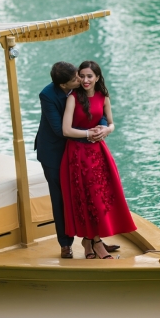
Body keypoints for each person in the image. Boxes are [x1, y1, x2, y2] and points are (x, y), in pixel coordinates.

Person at [34, 62, 114, 259]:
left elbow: (97, 109)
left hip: (79, 150)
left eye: (81, 76)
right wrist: (88, 134)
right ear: (64, 85)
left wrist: (102, 127)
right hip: (55, 152)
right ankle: (65, 244)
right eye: (77, 78)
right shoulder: (48, 96)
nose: (81, 80)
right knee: (61, 198)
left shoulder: (81, 85)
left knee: (90, 193)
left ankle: (94, 239)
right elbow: (60, 130)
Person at [60, 61, 136, 259]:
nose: (85, 80)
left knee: (101, 198)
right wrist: (87, 133)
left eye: (89, 76)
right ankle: (93, 242)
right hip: (78, 154)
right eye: (82, 76)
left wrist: (106, 130)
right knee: (86, 198)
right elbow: (66, 130)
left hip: (98, 153)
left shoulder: (104, 97)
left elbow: (111, 124)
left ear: (98, 78)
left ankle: (90, 241)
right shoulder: (73, 98)